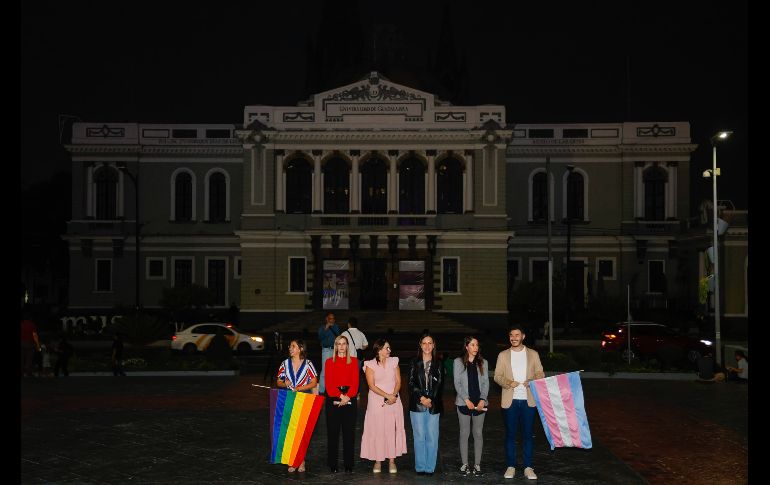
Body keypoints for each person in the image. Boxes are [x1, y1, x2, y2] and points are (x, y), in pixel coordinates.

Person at [494, 324, 545, 480]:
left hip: (528, 400)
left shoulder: (533, 354)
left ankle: (528, 467)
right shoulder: (503, 355)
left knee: (528, 435)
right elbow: (497, 376)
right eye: (511, 335)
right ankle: (511, 466)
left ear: (523, 336)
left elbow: (540, 373)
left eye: (517, 335)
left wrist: (532, 380)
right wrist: (509, 383)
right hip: (511, 401)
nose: (513, 338)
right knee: (510, 435)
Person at [360, 339, 407, 474]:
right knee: (378, 430)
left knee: (391, 429)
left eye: (390, 348)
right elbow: (371, 385)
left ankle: (392, 461)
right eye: (387, 348)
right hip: (377, 401)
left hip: (394, 400)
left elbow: (398, 381)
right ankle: (378, 461)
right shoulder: (370, 364)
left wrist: (393, 395)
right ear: (379, 350)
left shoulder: (394, 362)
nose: (389, 350)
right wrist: (387, 395)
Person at [276, 339, 318, 473]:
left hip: (304, 398)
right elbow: (278, 382)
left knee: (301, 431)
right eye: (290, 346)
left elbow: (314, 383)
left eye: (293, 346)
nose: (290, 348)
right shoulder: (284, 364)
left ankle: (302, 460)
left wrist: (300, 388)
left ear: (300, 349)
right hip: (289, 399)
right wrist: (285, 383)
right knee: (291, 431)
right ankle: (293, 460)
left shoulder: (308, 364)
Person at [407, 332, 444, 476]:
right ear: (420, 345)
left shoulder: (438, 363)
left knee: (432, 436)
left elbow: (440, 384)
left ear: (434, 345)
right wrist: (421, 398)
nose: (427, 346)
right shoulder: (413, 362)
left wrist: (430, 399)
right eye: (424, 343)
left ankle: (430, 467)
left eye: (430, 343)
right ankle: (420, 466)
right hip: (417, 404)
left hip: (433, 405)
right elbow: (410, 383)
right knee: (419, 436)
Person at [324, 335, 360, 473]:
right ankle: (333, 464)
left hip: (349, 398)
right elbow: (329, 385)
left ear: (347, 346)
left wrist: (346, 397)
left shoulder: (354, 361)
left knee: (349, 434)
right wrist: (341, 397)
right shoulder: (329, 362)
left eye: (344, 343)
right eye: (338, 344)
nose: (341, 346)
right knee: (333, 434)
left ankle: (348, 464)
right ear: (335, 346)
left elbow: (355, 384)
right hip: (333, 398)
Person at [454, 336, 489, 477]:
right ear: (466, 346)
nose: (476, 347)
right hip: (464, 403)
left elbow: (486, 383)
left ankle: (477, 464)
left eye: (477, 345)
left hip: (480, 404)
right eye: (472, 345)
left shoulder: (483, 362)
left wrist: (482, 399)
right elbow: (457, 383)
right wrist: (466, 399)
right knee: (464, 433)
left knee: (478, 434)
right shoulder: (458, 362)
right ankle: (464, 464)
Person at [318, 312, 341, 394]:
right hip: (326, 351)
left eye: (333, 318)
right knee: (324, 371)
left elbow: (339, 337)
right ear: (327, 319)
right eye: (330, 318)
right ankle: (321, 391)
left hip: (335, 350)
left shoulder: (336, 327)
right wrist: (325, 329)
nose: (332, 320)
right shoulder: (322, 327)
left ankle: (332, 390)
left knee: (334, 371)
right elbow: (320, 337)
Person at [21, 311, 41, 377]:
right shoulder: (32, 324)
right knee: (29, 359)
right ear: (30, 318)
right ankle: (28, 372)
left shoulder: (21, 324)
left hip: (22, 343)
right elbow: (35, 335)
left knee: (22, 358)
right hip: (30, 343)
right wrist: (38, 345)